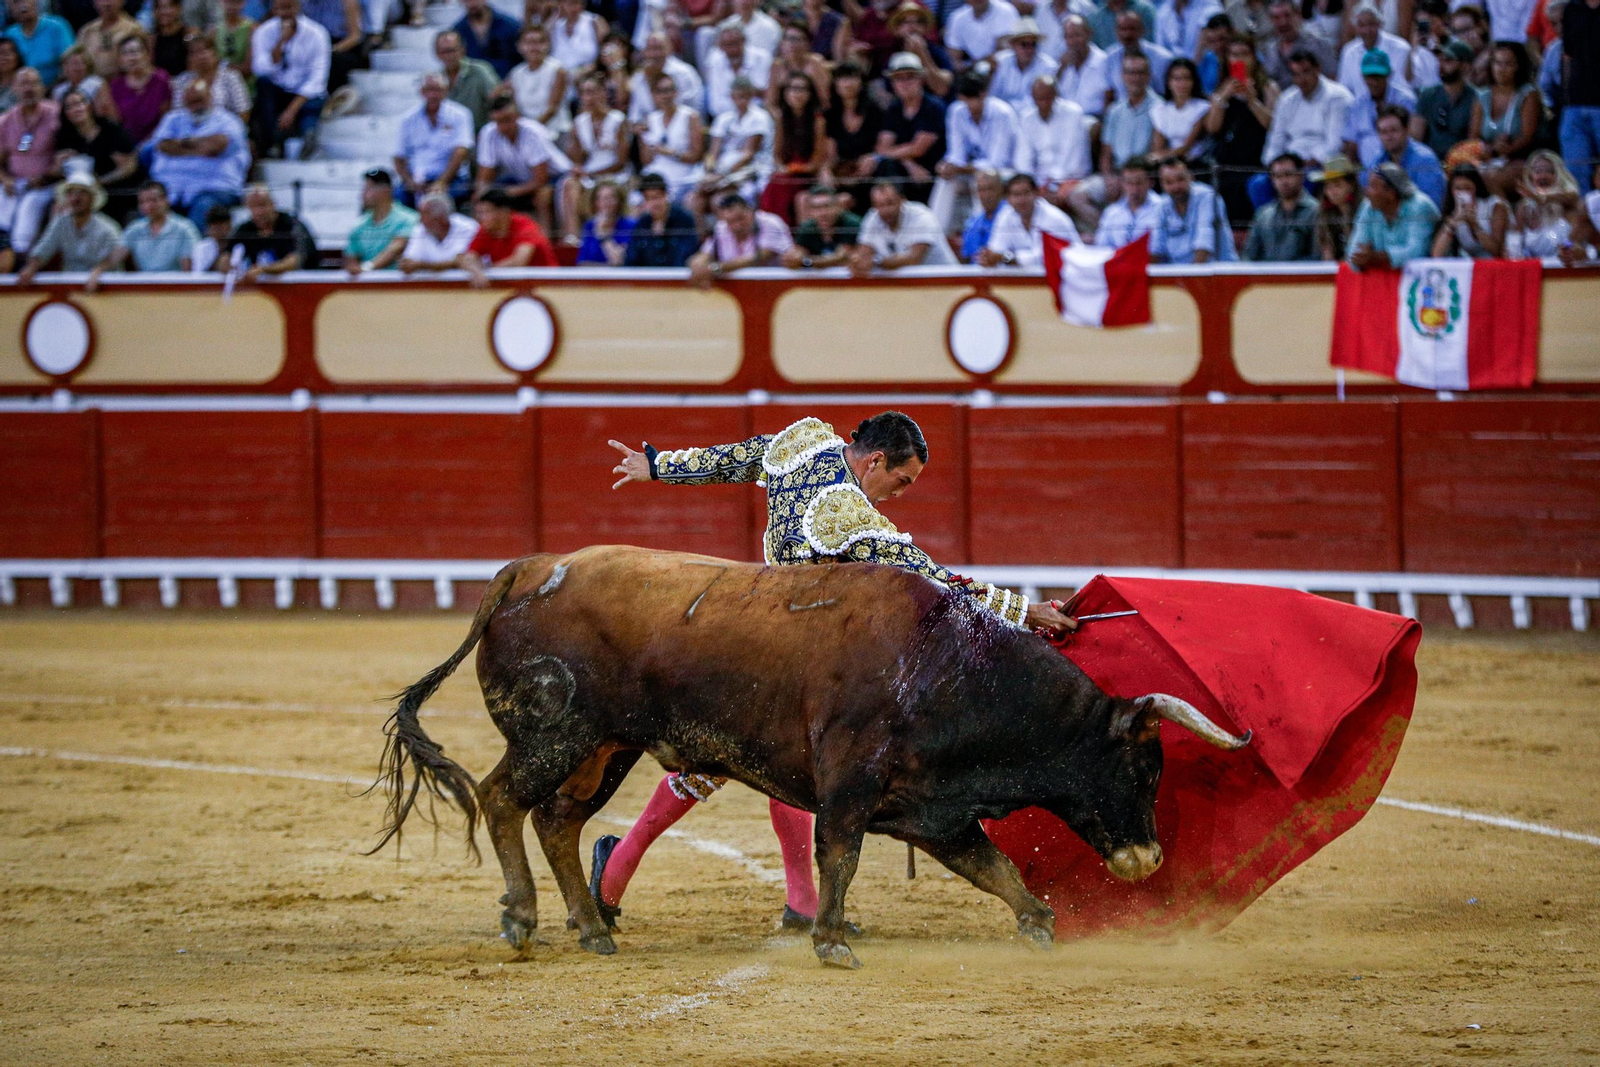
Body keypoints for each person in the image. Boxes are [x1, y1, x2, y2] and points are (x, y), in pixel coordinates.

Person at [592, 412, 1076, 932]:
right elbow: (934, 581)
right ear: (875, 461)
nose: (900, 493)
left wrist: (658, 466)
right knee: (779, 763)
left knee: (738, 762)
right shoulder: (848, 515)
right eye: (901, 480)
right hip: (801, 656)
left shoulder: (805, 441)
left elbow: (737, 458)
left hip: (753, 639)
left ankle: (639, 875)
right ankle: (628, 872)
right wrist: (1024, 611)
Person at [1066, 50, 1153, 229]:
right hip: (1115, 173)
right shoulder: (1115, 110)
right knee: (1077, 196)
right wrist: (1109, 178)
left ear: (1148, 76)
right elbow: (1106, 153)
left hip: (1142, 176)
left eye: (1140, 73)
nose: (1135, 78)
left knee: (1131, 189)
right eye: (1130, 73)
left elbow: (1156, 152)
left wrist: (1128, 179)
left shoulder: (1158, 108)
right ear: (1123, 76)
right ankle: (1107, 231)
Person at [148, 77, 251, 226]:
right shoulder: (172, 119)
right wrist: (200, 146)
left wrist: (180, 145)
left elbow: (217, 146)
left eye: (199, 100)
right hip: (172, 189)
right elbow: (163, 145)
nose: (195, 106)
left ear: (210, 97)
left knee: (203, 207)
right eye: (190, 102)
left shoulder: (229, 121)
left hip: (214, 188)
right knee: (150, 204)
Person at [929, 70, 1017, 233]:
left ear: (984, 94)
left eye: (974, 98)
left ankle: (979, 233)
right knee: (945, 181)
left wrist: (962, 169)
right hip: (969, 170)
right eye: (966, 99)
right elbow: (956, 153)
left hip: (1004, 172)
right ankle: (935, 234)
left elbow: (998, 161)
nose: (970, 104)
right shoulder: (956, 111)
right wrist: (947, 166)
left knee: (983, 180)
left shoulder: (1003, 113)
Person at [249, 0, 330, 158]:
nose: (284, 13)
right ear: (273, 9)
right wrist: (280, 43)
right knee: (263, 86)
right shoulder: (264, 32)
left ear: (298, 6)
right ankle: (274, 144)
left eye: (288, 8)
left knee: (313, 103)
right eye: (280, 8)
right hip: (277, 90)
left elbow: (318, 79)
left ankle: (308, 137)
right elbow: (260, 69)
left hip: (304, 93)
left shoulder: (317, 33)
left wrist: (292, 110)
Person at [16, 168, 119, 283]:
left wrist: (98, 271)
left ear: (92, 198)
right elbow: (44, 249)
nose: (75, 198)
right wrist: (31, 268)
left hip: (103, 285)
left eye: (82, 193)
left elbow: (115, 258)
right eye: (71, 193)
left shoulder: (107, 228)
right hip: (71, 283)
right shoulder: (61, 222)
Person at [560, 72, 629, 240]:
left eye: (591, 92)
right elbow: (577, 159)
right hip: (590, 173)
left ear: (603, 93)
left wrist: (591, 173)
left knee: (604, 188)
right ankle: (572, 237)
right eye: (583, 93)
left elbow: (621, 161)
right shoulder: (580, 122)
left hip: (615, 173)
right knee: (569, 184)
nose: (588, 97)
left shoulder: (618, 119)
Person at [475, 91, 561, 226]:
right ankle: (485, 235)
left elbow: (541, 179)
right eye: (499, 121)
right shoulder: (488, 133)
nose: (503, 126)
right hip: (519, 179)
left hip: (555, 178)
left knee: (542, 195)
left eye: (507, 120)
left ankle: (543, 236)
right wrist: (483, 194)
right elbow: (484, 176)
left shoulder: (533, 132)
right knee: (482, 197)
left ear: (517, 117)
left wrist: (509, 192)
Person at [90, 179, 196, 284]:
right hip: (144, 286)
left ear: (166, 200)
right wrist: (98, 270)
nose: (147, 206)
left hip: (174, 286)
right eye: (142, 202)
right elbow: (115, 256)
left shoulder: (184, 229)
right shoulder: (135, 229)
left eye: (153, 200)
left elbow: (188, 270)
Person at [0, 67, 59, 255]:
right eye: (24, 84)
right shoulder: (5, 120)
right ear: (14, 88)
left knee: (28, 211)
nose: (29, 89)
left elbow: (65, 154)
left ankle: (21, 260)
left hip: (45, 184)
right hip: (14, 182)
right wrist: (5, 179)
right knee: (2, 214)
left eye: (33, 83)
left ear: (42, 87)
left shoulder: (56, 114)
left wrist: (46, 176)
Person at [1469, 40, 1541, 194]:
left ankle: (1502, 208)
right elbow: (1473, 136)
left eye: (1508, 64)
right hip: (1487, 157)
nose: (1501, 69)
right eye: (1497, 63)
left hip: (1520, 159)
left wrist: (1504, 149)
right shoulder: (1482, 96)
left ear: (1518, 66)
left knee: (1490, 178)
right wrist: (1488, 149)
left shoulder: (1528, 94)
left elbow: (1527, 136)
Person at [1261, 47, 1352, 169]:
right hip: (1289, 166)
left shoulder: (1337, 97)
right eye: (1296, 74)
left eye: (1306, 72)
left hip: (1324, 165)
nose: (1301, 79)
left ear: (1318, 69)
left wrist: (1305, 164)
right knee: (1259, 179)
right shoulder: (1286, 100)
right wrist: (1272, 163)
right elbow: (1276, 140)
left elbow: (1335, 145)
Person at [393, 71, 473, 209]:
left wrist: (442, 182)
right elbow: (398, 156)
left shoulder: (460, 114)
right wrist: (410, 181)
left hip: (451, 179)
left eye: (437, 90)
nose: (433, 95)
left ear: (446, 91)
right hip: (417, 179)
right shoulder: (408, 119)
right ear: (421, 92)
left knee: (445, 200)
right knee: (398, 196)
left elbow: (461, 151)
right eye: (428, 90)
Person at [849, 178, 958, 273]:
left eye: (890, 203)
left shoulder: (921, 215)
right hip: (909, 284)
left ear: (902, 200)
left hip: (946, 279)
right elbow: (863, 254)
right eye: (879, 205)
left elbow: (913, 259)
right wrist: (858, 261)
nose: (886, 210)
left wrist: (876, 262)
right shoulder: (872, 217)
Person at [696, 74, 771, 211]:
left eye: (744, 96)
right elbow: (713, 152)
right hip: (722, 169)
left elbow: (749, 154)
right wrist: (709, 171)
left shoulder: (760, 117)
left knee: (718, 201)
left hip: (748, 169)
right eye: (736, 96)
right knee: (694, 199)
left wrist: (722, 175)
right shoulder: (723, 118)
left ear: (751, 96)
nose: (740, 101)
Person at [1347, 160, 1440, 268]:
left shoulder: (1419, 206)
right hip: (1385, 276)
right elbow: (1352, 251)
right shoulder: (1368, 206)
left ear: (1391, 193)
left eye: (1373, 187)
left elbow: (1417, 252)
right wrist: (1360, 258)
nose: (1367, 192)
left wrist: (1377, 257)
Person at [1015, 75, 1091, 206]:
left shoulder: (1073, 113)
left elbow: (1072, 157)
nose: (1043, 103)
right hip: (1039, 181)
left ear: (1056, 95)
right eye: (1039, 99)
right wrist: (1030, 184)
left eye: (1047, 98)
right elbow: (1023, 158)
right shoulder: (1026, 118)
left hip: (1070, 177)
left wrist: (1052, 185)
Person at [687, 191, 791, 285]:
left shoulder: (770, 222)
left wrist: (716, 268)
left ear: (751, 211)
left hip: (775, 285)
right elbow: (705, 254)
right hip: (739, 288)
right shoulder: (721, 227)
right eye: (731, 221)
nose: (737, 225)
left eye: (740, 218)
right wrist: (697, 265)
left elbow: (760, 257)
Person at [460, 186, 558, 285]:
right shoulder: (486, 229)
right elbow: (468, 257)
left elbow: (519, 261)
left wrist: (487, 271)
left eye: (485, 212)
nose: (480, 217)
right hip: (514, 285)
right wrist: (476, 271)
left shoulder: (525, 226)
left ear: (503, 211)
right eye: (479, 213)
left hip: (547, 283)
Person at [977, 171, 1079, 266]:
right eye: (1016, 195)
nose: (1022, 200)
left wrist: (1007, 258)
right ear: (1008, 198)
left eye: (1026, 193)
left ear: (1036, 194)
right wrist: (989, 258)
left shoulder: (1054, 218)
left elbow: (1049, 256)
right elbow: (997, 250)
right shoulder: (1005, 215)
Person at [637, 72, 705, 204]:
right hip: (657, 175)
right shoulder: (651, 119)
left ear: (676, 92)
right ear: (654, 95)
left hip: (684, 175)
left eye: (669, 90)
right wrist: (642, 139)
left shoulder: (691, 116)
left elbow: (696, 156)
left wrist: (670, 152)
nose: (665, 96)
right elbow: (646, 160)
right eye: (660, 91)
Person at [1341, 49, 1417, 166]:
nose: (1374, 82)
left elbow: (1413, 138)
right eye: (1370, 77)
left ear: (1389, 74)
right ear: (1363, 77)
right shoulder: (1358, 105)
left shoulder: (1405, 99)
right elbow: (1351, 143)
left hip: (1401, 165)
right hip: (1366, 169)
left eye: (1378, 77)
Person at [822, 59, 879, 213]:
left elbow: (882, 147)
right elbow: (830, 154)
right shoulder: (831, 115)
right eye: (842, 78)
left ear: (861, 82)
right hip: (842, 175)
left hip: (869, 175)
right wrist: (827, 172)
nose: (847, 83)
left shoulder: (874, 111)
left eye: (852, 77)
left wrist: (874, 157)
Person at [1360, 104, 1445, 207]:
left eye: (1394, 130)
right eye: (1383, 132)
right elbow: (1366, 193)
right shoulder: (1378, 160)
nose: (1388, 137)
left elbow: (1431, 205)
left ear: (1406, 130)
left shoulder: (1425, 159)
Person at [227, 182, 317, 279]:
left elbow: (294, 261)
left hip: (303, 282)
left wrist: (264, 270)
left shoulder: (291, 225)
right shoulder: (245, 229)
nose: (259, 212)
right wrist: (231, 268)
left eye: (262, 205)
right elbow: (225, 256)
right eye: (253, 206)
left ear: (273, 204)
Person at [1245, 150, 1320, 259]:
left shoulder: (1316, 211)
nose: (1283, 181)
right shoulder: (1263, 215)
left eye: (1288, 175)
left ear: (1301, 175)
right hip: (1267, 270)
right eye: (1278, 176)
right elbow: (1249, 256)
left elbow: (1317, 257)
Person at [98, 33, 170, 145]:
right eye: (125, 53)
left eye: (135, 52)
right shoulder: (116, 86)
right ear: (120, 59)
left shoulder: (161, 79)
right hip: (127, 144)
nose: (131, 58)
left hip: (157, 141)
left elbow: (166, 119)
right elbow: (117, 123)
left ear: (147, 54)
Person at [343, 167, 415, 274]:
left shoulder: (408, 219)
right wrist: (358, 270)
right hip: (366, 282)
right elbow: (351, 260)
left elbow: (396, 248)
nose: (363, 194)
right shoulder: (359, 225)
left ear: (385, 190)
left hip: (397, 281)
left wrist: (365, 269)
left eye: (369, 188)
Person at [1412, 39, 1476, 159]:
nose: (1441, 65)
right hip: (1430, 160)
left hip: (1462, 161)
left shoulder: (1476, 98)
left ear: (1465, 66)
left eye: (1448, 61)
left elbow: (1473, 142)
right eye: (1440, 59)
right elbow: (1415, 137)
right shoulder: (1428, 95)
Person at [1337, 2, 1415, 98]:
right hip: (1359, 105)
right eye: (1361, 25)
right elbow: (1345, 89)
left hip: (1394, 104)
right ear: (1355, 27)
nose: (1367, 30)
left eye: (1371, 24)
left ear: (1380, 24)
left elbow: (1402, 87)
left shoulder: (1401, 48)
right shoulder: (1349, 51)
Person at [1561, 0, 1600, 194]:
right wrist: (1566, 96)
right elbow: (1568, 55)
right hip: (1574, 106)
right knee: (1575, 177)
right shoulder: (1572, 9)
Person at [1430, 160, 1508, 255]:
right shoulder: (1453, 210)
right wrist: (1453, 223)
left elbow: (1496, 251)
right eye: (1458, 188)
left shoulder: (1495, 206)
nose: (1462, 193)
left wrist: (1474, 224)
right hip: (1471, 262)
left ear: (1476, 188)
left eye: (1467, 188)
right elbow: (1436, 254)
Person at [1513, 147, 1580, 254]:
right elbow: (1516, 242)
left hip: (1566, 260)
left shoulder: (1570, 200)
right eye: (1538, 171)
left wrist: (1541, 198)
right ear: (1530, 176)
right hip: (1537, 263)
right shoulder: (1524, 207)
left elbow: (1571, 197)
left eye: (1549, 171)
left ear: (1559, 174)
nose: (1543, 176)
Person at [626, 30, 700, 126]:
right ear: (644, 52)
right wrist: (636, 125)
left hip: (683, 126)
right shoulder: (639, 77)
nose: (653, 54)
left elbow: (689, 107)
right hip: (648, 128)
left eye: (658, 48)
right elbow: (635, 113)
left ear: (669, 49)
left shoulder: (684, 72)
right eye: (649, 49)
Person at [172, 33, 250, 123]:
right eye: (194, 53)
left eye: (204, 50)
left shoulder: (231, 77)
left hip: (225, 128)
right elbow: (177, 113)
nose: (200, 56)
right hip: (190, 128)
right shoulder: (182, 80)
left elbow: (243, 111)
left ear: (215, 53)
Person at [624, 170, 698, 265]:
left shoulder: (683, 219)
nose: (654, 203)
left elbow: (684, 256)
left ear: (666, 195)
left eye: (657, 197)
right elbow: (631, 259)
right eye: (648, 199)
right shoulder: (643, 223)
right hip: (648, 273)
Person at [509, 24, 569, 138]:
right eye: (529, 42)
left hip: (556, 132)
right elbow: (515, 107)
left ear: (548, 44)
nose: (534, 47)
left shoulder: (558, 70)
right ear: (519, 46)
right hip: (526, 134)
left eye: (539, 42)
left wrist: (531, 130)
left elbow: (552, 109)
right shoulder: (515, 73)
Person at [1261, 0, 1336, 88]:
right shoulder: (1269, 50)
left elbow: (1332, 79)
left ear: (1298, 15)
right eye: (1276, 18)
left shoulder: (1319, 44)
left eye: (1287, 15)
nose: (1283, 22)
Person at [782, 182, 860, 267]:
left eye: (827, 206)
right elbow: (799, 251)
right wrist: (793, 257)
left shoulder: (852, 224)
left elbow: (842, 257)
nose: (823, 213)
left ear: (837, 207)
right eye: (817, 207)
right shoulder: (808, 227)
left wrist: (806, 262)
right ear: (810, 211)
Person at [398, 190, 477, 272]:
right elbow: (408, 263)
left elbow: (463, 262)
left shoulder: (468, 228)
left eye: (425, 214)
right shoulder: (420, 229)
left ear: (440, 217)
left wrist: (421, 265)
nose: (421, 219)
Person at [987, 17, 1056, 111]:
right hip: (1002, 114)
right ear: (1013, 45)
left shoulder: (1048, 66)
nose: (1029, 49)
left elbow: (1040, 101)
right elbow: (993, 94)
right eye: (1024, 44)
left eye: (1033, 44)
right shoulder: (1000, 61)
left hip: (1032, 115)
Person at [433, 29, 498, 130]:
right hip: (451, 135)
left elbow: (497, 101)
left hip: (479, 132)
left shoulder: (479, 71)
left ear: (462, 50)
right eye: (444, 51)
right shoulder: (436, 79)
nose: (449, 56)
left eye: (452, 50)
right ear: (437, 54)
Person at [1095, 154, 1164, 247]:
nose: (1134, 189)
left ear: (1150, 182)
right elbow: (1101, 247)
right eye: (1129, 183)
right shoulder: (1111, 213)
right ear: (1122, 183)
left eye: (1139, 183)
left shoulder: (1162, 209)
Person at [1104, 9, 1171, 103]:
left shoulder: (1162, 58)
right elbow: (1109, 94)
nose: (1127, 34)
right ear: (1116, 31)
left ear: (1142, 30)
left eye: (1132, 29)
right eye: (1122, 29)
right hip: (1122, 109)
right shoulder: (1109, 57)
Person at [704, 24, 771, 117]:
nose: (733, 49)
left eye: (736, 43)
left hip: (758, 115)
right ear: (720, 46)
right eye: (728, 45)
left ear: (744, 41)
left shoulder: (762, 57)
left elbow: (764, 94)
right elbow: (716, 104)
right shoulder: (715, 60)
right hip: (725, 117)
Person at [298, 0, 362, 97]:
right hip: (312, 44)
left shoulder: (348, 2)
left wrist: (331, 50)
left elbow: (355, 37)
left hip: (339, 46)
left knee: (334, 62)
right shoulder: (305, 3)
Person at [766, 20, 832, 114]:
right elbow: (770, 103)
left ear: (808, 43)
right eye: (788, 39)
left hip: (813, 115)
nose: (792, 44)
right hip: (784, 116)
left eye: (798, 39)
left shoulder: (815, 63)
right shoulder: (776, 66)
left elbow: (825, 101)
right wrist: (779, 118)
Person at [1151, 56, 1210, 160]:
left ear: (1194, 81)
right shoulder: (1160, 109)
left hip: (1195, 160)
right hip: (1167, 161)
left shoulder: (1202, 107)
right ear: (1168, 82)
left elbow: (1185, 148)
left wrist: (1161, 156)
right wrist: (1158, 156)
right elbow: (1158, 146)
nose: (1182, 84)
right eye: (1176, 79)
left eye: (1187, 78)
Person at [6, 0, 75, 87]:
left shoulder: (57, 26)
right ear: (10, 8)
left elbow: (69, 59)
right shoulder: (10, 34)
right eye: (16, 2)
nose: (23, 5)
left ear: (36, 2)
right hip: (22, 89)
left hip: (57, 85)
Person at [1054, 14, 1112, 119]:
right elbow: (1052, 96)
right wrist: (1061, 69)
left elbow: (1109, 100)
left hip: (1093, 119)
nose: (1073, 41)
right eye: (1069, 37)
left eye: (1077, 35)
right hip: (1066, 120)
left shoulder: (1103, 62)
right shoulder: (1063, 63)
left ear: (1089, 34)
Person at [944, 0, 1020, 72]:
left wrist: (979, 63)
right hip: (973, 70)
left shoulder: (1006, 10)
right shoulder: (957, 17)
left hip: (1003, 68)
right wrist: (961, 68)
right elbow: (954, 53)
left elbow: (1005, 47)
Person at [75, 0, 141, 81]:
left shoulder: (134, 30)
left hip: (124, 84)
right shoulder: (87, 31)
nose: (107, 3)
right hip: (91, 84)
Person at [452, 0, 519, 79]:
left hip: (508, 79)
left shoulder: (511, 26)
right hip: (475, 82)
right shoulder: (458, 31)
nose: (472, 4)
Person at [1312, 151, 1361, 257]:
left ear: (1351, 185)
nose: (1332, 192)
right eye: (1328, 186)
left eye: (1337, 185)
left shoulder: (1364, 209)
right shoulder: (1324, 212)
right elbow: (1326, 249)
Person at [958, 165, 1004, 260]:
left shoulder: (1012, 215)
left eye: (990, 188)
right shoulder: (973, 222)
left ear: (1001, 189)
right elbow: (966, 257)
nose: (986, 195)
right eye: (981, 190)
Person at [1156, 0, 1223, 61]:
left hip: (1204, 65)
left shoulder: (1211, 5)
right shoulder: (1163, 11)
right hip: (1175, 67)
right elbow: (1160, 51)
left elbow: (1218, 31)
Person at [149, 0, 193, 77]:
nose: (163, 12)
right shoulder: (151, 39)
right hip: (161, 81)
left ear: (178, 9)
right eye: (159, 7)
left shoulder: (189, 34)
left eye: (168, 7)